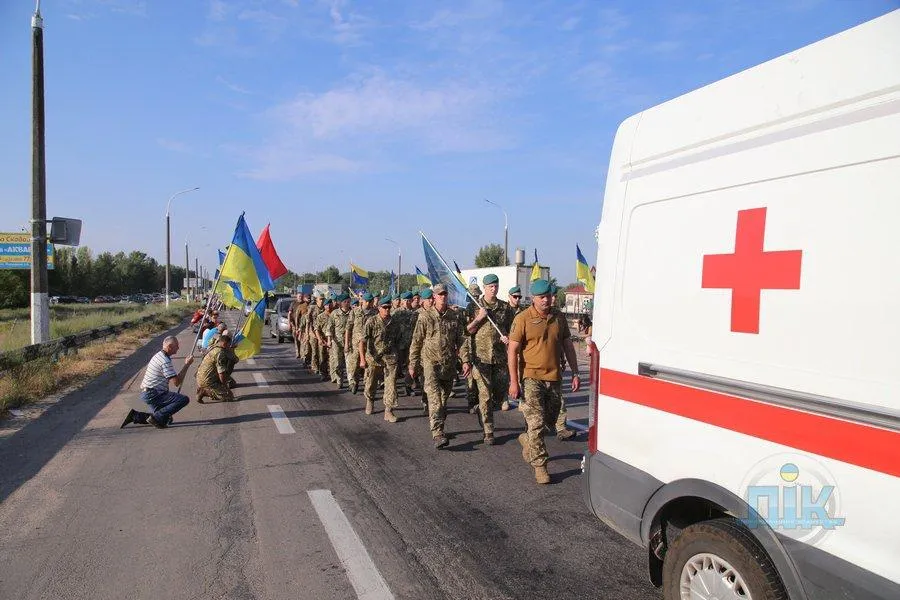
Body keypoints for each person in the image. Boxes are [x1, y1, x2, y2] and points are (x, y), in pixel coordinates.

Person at [507, 279, 581, 484]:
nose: (547, 300)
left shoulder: (558, 317)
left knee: (548, 423)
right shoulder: (522, 319)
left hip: (554, 377)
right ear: (533, 299)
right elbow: (512, 351)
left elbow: (567, 345)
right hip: (531, 378)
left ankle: (527, 440)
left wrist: (575, 372)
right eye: (542, 297)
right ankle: (540, 466)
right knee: (537, 423)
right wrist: (514, 382)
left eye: (549, 296)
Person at [409, 283, 471, 449]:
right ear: (434, 297)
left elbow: (462, 340)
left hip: (448, 364)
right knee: (435, 399)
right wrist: (413, 363)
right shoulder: (425, 317)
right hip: (430, 363)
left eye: (445, 294)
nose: (442, 296)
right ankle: (437, 434)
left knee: (443, 402)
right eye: (439, 294)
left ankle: (439, 425)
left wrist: (465, 360)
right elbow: (417, 341)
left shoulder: (454, 316)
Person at [466, 274, 516, 443]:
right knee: (485, 395)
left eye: (495, 286)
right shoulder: (474, 306)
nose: (493, 289)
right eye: (490, 287)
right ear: (485, 287)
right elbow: (467, 331)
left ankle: (483, 411)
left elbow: (512, 330)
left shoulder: (505, 308)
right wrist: (479, 318)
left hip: (500, 359)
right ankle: (488, 431)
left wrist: (508, 337)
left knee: (498, 395)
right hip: (481, 358)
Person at [134, 335, 195, 429]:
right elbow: (176, 382)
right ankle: (157, 418)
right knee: (183, 399)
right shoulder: (164, 361)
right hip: (153, 394)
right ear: (170, 346)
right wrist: (187, 365)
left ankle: (135, 416)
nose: (178, 348)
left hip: (148, 392)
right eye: (176, 346)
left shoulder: (159, 355)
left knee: (167, 418)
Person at [359, 296, 403, 421]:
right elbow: (362, 341)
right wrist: (362, 359)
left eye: (389, 307)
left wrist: (400, 358)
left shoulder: (394, 322)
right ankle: (370, 400)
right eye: (384, 307)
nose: (387, 310)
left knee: (391, 384)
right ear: (379, 308)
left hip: (390, 357)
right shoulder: (371, 321)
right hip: (374, 357)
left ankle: (388, 411)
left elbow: (398, 340)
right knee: (371, 382)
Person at [345, 292, 375, 395]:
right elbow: (348, 328)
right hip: (355, 343)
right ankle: (354, 382)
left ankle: (367, 383)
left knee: (368, 364)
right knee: (354, 365)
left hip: (369, 343)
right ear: (364, 302)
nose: (371, 303)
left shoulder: (374, 312)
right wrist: (346, 343)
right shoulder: (355, 312)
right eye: (370, 302)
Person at [196, 333, 237, 403]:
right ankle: (204, 392)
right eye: (229, 345)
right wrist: (226, 388)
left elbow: (234, 359)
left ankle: (206, 387)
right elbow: (221, 373)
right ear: (224, 344)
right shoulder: (220, 353)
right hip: (207, 380)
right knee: (227, 396)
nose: (230, 346)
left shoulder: (214, 346)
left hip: (200, 376)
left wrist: (231, 349)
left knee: (232, 383)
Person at [327, 294, 352, 388]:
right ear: (341, 303)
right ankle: (339, 379)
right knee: (338, 363)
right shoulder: (334, 313)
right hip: (337, 342)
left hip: (349, 342)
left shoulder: (352, 313)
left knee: (350, 363)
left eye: (348, 302)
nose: (347, 303)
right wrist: (329, 340)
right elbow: (330, 327)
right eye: (345, 302)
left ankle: (351, 382)